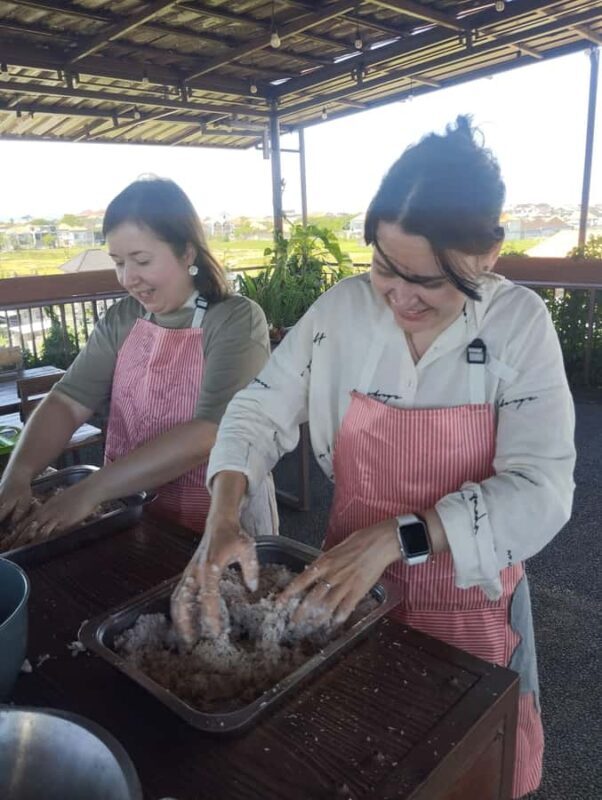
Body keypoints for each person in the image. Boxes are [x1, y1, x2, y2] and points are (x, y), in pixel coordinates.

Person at [171, 117, 576, 798]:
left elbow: (542, 490)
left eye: (431, 281)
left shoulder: (519, 326)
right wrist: (225, 511)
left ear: (490, 254)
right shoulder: (341, 314)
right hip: (341, 591)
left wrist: (397, 536)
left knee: (473, 767)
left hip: (471, 601)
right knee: (352, 762)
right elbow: (257, 408)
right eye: (385, 267)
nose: (400, 297)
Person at [0, 176, 275, 546]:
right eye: (118, 262)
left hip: (218, 518)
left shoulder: (235, 319)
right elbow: (66, 401)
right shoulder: (123, 318)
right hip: (132, 507)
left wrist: (90, 491)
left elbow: (210, 431)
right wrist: (18, 475)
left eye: (141, 260)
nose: (129, 278)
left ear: (187, 253)